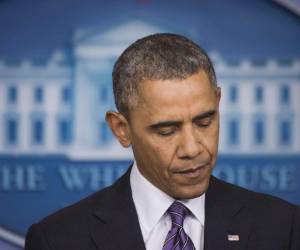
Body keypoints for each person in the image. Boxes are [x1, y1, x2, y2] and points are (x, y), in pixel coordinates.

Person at [25, 33, 300, 250]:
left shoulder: (283, 228)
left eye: (205, 122)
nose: (193, 149)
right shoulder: (57, 240)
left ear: (218, 102)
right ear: (121, 129)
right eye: (167, 131)